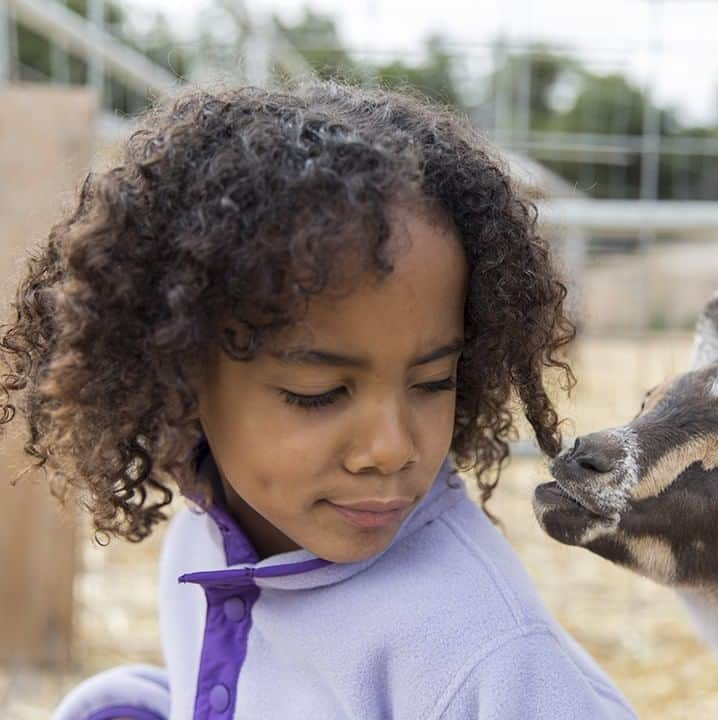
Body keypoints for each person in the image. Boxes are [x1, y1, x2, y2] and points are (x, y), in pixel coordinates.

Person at [0, 80, 636, 720]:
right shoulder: (209, 531)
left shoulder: (484, 659)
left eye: (434, 382)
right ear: (181, 372)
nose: (391, 449)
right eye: (320, 393)